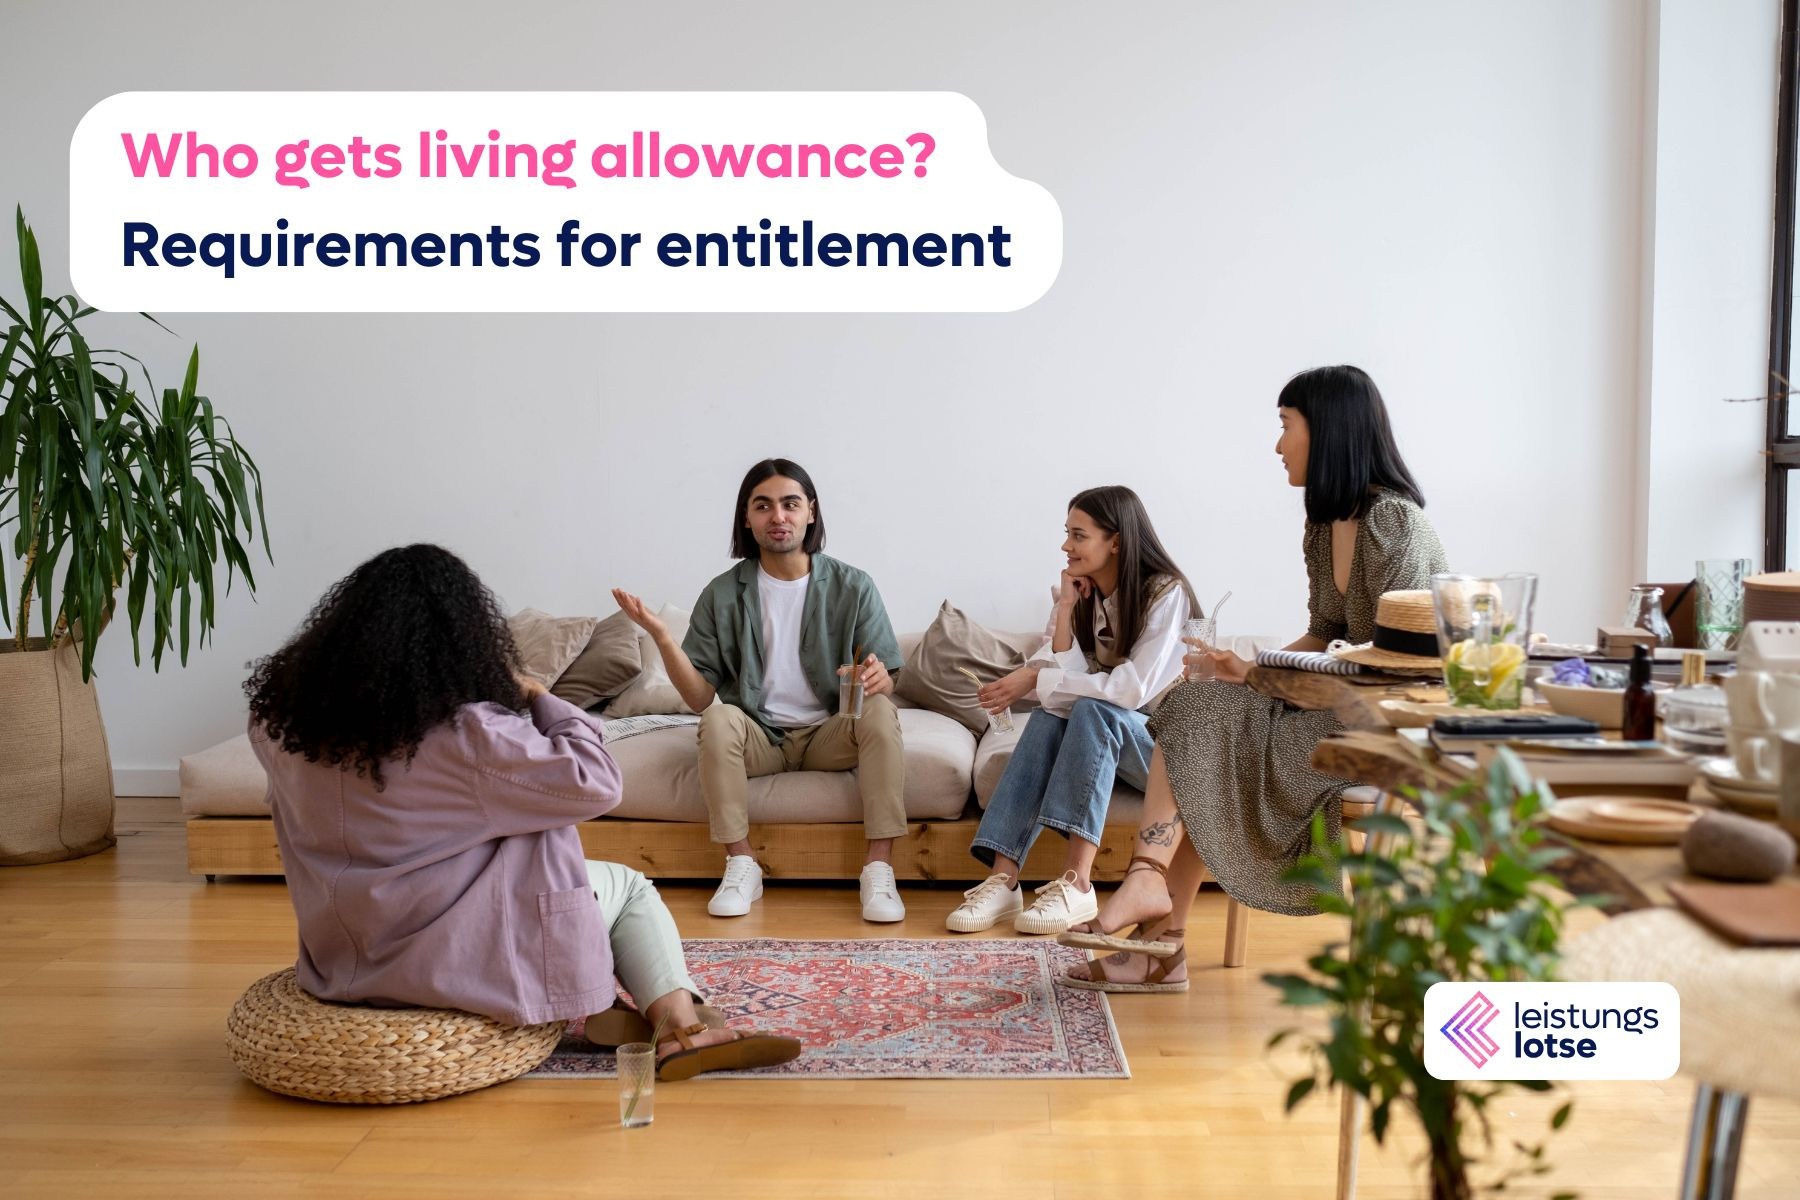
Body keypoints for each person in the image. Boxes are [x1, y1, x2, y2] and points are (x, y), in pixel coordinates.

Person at [244, 544, 800, 1080]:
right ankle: (681, 1024)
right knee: (627, 887)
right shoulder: (467, 735)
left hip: (343, 950)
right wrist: (538, 696)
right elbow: (597, 782)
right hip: (449, 955)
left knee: (510, 839)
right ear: (462, 638)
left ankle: (619, 1006)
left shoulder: (278, 728)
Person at [1059, 365, 1448, 993]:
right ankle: (1153, 904)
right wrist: (1243, 671)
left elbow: (1392, 660)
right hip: (1332, 703)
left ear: (1329, 430)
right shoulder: (1324, 527)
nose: (1278, 444)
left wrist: (1261, 675)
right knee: (1194, 705)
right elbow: (1325, 630)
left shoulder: (1393, 524)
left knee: (1210, 737)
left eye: (1286, 425)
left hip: (1384, 720)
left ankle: (1159, 938)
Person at [612, 458, 907, 923]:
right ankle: (742, 864)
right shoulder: (722, 593)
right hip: (760, 738)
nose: (778, 516)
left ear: (810, 512)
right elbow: (698, 698)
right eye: (763, 505)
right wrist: (663, 638)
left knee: (881, 710)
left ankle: (879, 869)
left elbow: (887, 674)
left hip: (831, 733)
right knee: (716, 717)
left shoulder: (853, 586)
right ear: (747, 518)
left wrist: (879, 679)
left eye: (790, 504)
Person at [947, 485, 1197, 935]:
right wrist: (1066, 609)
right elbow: (1064, 680)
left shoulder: (1167, 594)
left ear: (1116, 541)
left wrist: (1038, 680)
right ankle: (1004, 879)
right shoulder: (1085, 594)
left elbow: (1130, 691)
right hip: (1116, 740)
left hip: (1171, 756)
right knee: (1052, 716)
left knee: (1093, 711)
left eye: (1078, 535)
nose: (1066, 546)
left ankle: (1077, 882)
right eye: (1067, 533)